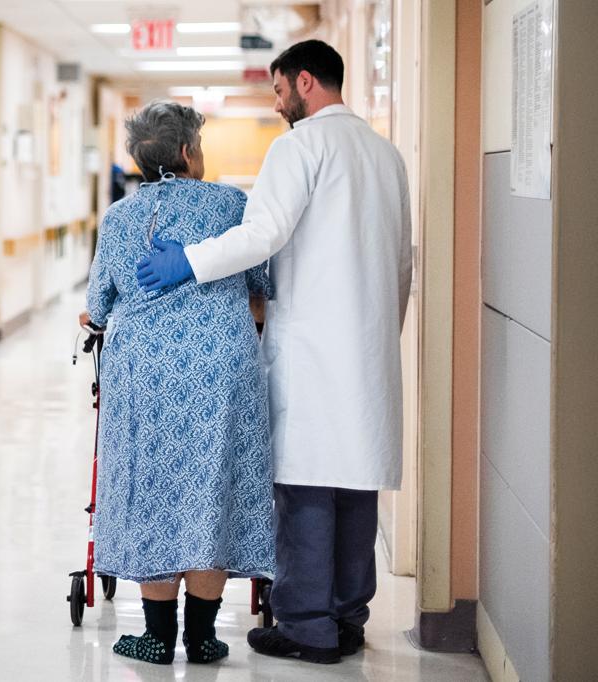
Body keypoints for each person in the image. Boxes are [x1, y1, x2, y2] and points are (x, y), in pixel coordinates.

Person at [134, 40, 413, 664]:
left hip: (315, 348)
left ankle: (306, 628)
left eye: (279, 89)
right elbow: (402, 262)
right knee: (355, 489)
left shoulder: (299, 147)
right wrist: (379, 337)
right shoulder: (385, 155)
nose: (277, 100)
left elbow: (263, 234)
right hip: (365, 350)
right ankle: (346, 620)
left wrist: (190, 262)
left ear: (306, 82)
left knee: (306, 490)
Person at [81, 100, 276, 665]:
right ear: (190, 152)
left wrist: (95, 319)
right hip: (222, 372)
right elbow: (261, 285)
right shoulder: (232, 204)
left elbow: (99, 305)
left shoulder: (120, 218)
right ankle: (204, 635)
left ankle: (157, 637)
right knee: (216, 488)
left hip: (145, 378)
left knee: (153, 492)